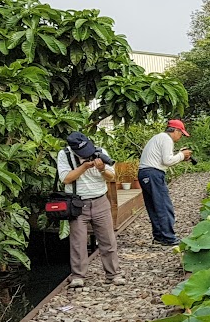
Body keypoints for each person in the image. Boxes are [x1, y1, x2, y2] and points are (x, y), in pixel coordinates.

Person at [56, 132, 125, 288]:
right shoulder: (64, 154)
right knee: (78, 242)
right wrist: (85, 166)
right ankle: (78, 276)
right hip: (77, 203)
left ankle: (113, 274)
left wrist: (101, 169)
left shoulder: (100, 151)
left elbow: (111, 177)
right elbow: (66, 178)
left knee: (108, 240)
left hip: (100, 200)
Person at [138, 119, 192, 246]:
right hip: (153, 174)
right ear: (176, 130)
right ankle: (169, 237)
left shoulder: (158, 138)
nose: (181, 136)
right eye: (181, 133)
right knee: (163, 205)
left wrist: (180, 157)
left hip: (144, 173)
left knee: (153, 206)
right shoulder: (167, 139)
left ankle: (159, 236)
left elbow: (163, 160)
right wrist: (182, 155)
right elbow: (167, 161)